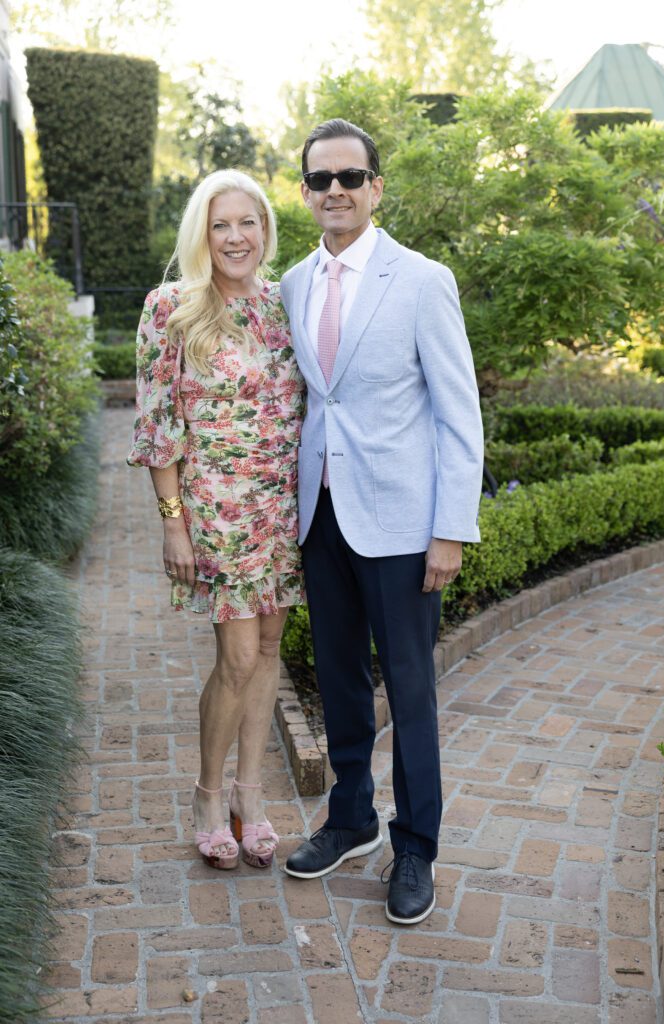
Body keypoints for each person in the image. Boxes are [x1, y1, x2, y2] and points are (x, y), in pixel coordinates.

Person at [281, 119, 484, 924]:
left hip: (402, 524)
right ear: (304, 193)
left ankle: (415, 848)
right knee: (336, 680)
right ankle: (350, 817)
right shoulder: (293, 283)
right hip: (321, 516)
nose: (336, 191)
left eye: (350, 178)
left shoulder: (422, 279)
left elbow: (456, 412)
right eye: (320, 180)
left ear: (375, 187)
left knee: (409, 688)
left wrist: (450, 528)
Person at [128, 170, 305, 871]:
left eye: (247, 223)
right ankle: (207, 797)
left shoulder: (283, 302)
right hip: (216, 509)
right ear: (202, 233)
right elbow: (157, 422)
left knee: (267, 651)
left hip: (283, 505)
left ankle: (250, 796)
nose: (235, 237)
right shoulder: (171, 306)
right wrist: (173, 521)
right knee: (234, 657)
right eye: (220, 224)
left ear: (265, 229)